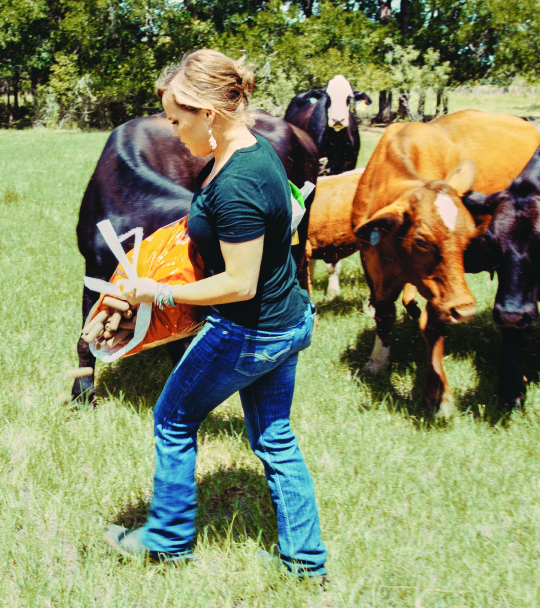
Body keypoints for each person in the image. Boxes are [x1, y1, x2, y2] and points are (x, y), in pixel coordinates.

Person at [103, 49, 327, 580]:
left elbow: (238, 282)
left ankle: (169, 541)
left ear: (209, 111)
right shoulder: (253, 152)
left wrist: (153, 291)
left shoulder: (237, 182)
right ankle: (306, 563)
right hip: (287, 318)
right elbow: (285, 224)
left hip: (249, 331)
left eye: (179, 121)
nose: (175, 134)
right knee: (274, 439)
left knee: (173, 419)